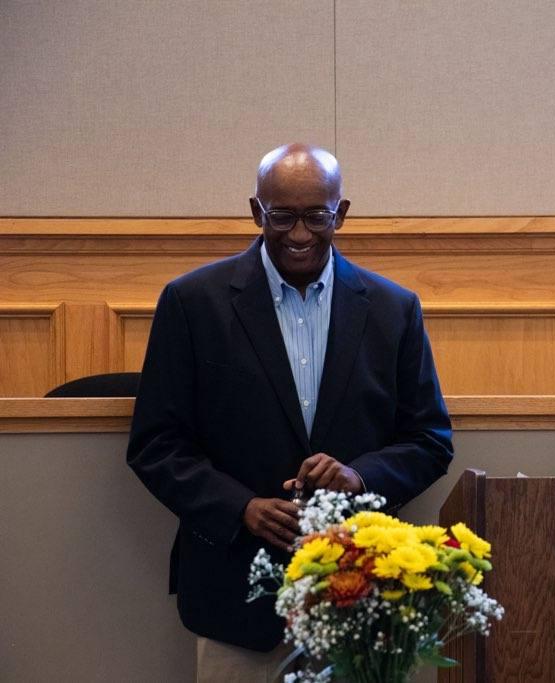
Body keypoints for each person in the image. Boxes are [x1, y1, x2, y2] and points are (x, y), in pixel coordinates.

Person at [127, 143, 453, 680]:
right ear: (257, 212)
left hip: (358, 602)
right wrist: (240, 508)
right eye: (281, 216)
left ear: (340, 213)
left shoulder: (394, 309)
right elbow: (155, 443)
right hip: (234, 602)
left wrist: (359, 476)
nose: (299, 234)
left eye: (316, 216)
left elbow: (430, 439)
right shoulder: (192, 303)